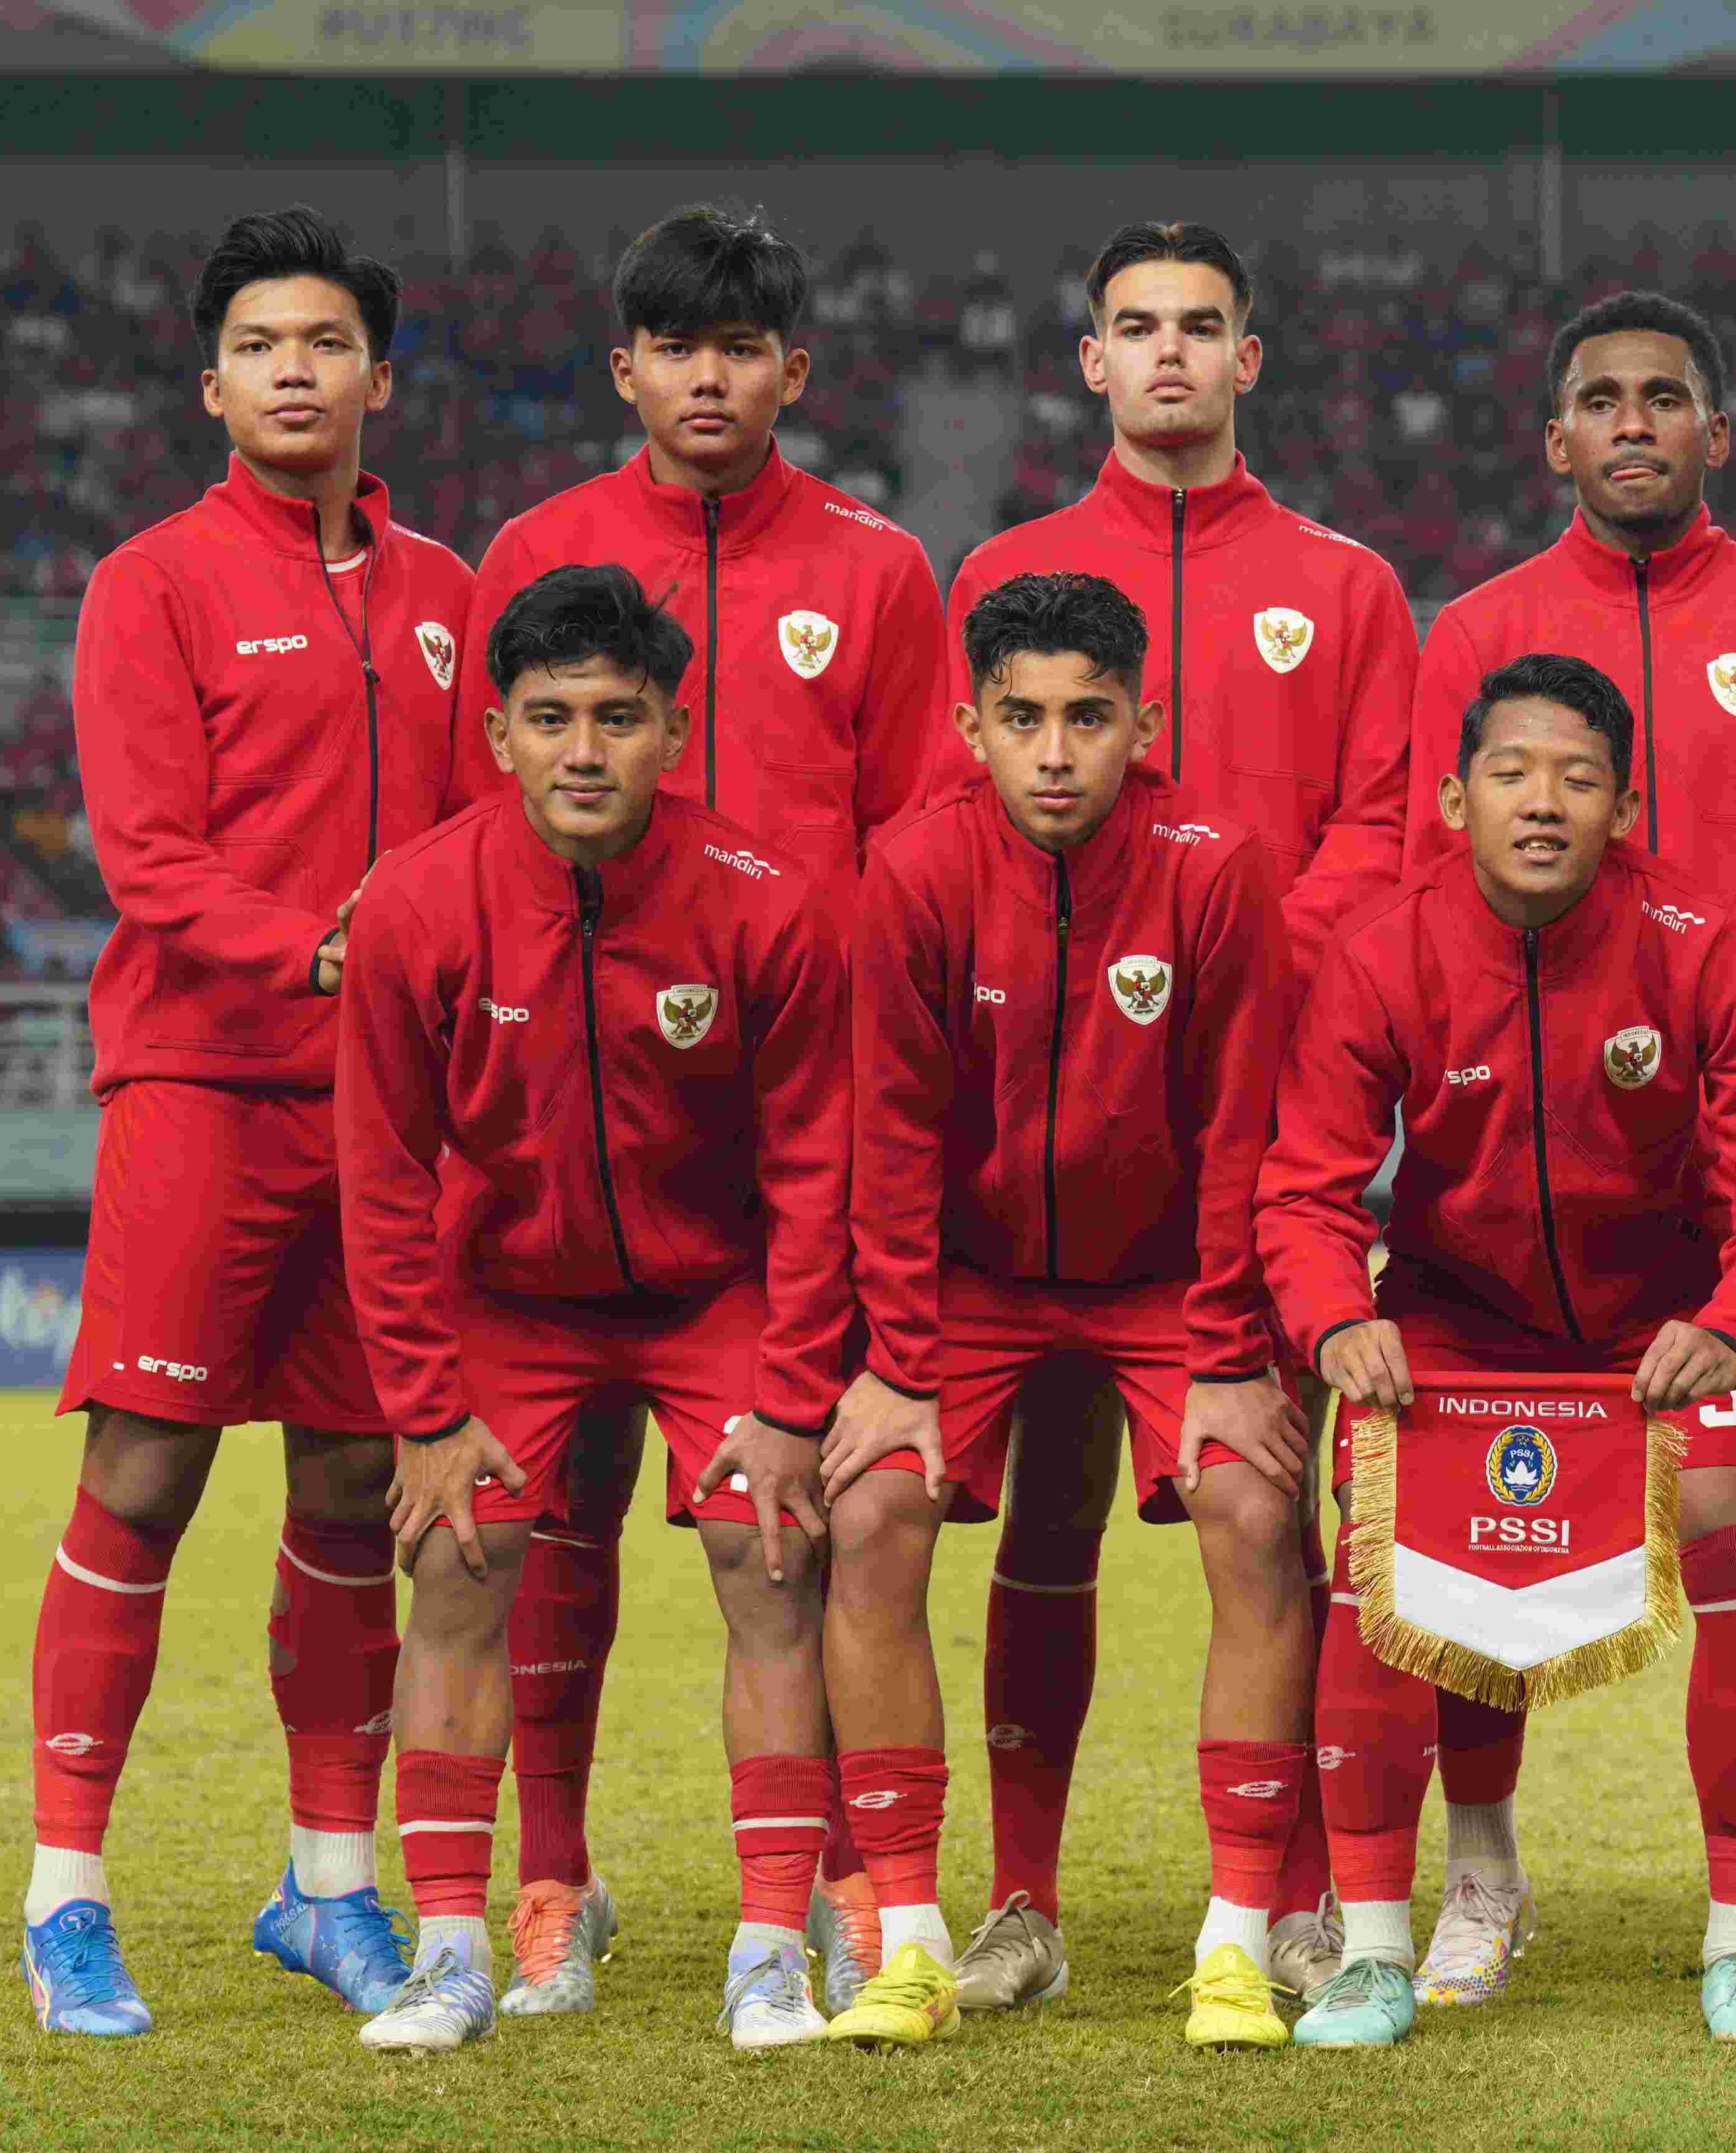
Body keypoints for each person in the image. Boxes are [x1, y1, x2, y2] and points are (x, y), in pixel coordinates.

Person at [1396, 288, 1736, 2001]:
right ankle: (1479, 1870)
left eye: (1664, 398)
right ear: (1554, 440)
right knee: (1464, 1541)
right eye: (1600, 401)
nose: (1632, 423)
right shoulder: (1473, 632)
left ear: (1720, 434)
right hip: (1529, 1179)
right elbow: (1426, 891)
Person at [449, 202, 955, 2019]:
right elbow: (473, 824)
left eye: (742, 351)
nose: (710, 381)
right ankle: (554, 1887)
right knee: (548, 1528)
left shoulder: (885, 572)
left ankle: (820, 1884)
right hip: (576, 1112)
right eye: (676, 350)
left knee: (785, 1523)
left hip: (797, 1112)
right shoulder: (538, 550)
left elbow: (912, 841)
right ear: (626, 372)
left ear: (792, 373)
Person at [938, 220, 1418, 2004]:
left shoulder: (1346, 585)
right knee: (1047, 1517)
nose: (1165, 356)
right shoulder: (1009, 568)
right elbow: (970, 818)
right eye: (1131, 327)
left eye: (1197, 328)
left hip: (1274, 1118)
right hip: (1054, 1123)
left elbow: (1385, 829)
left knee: (1272, 1509)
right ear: (1086, 362)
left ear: (1247, 359)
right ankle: (1020, 1903)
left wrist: (1220, 959)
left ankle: (1288, 1894)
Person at [1261, 653, 1736, 2049]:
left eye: (1579, 778)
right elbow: (1304, 1188)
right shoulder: (1383, 951)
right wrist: (1342, 1318)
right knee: (1392, 1561)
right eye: (1513, 773)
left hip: (1675, 1323)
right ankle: (1403, 1932)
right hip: (1461, 1320)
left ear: (1625, 803)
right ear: (1455, 795)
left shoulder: (1708, 939)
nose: (1543, 801)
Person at [28, 205, 468, 2037]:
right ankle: (67, 1901)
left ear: (382, 376)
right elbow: (147, 860)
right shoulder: (150, 582)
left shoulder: (452, 600)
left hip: (395, 1115)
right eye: (261, 347)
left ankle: (330, 1887)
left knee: (356, 1483)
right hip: (206, 1087)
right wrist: (324, 948)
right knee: (141, 1471)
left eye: (326, 342)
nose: (296, 369)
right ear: (214, 386)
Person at [335, 563, 856, 2055]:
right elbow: (380, 1182)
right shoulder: (419, 905)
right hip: (508, 1293)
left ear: (672, 731)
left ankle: (769, 1950)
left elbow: (822, 1168)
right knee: (456, 1559)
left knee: (770, 1567)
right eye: (550, 717)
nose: (583, 749)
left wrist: (795, 1395)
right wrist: (427, 1415)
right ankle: (450, 1951)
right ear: (498, 734)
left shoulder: (767, 903)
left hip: (719, 1291)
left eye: (617, 718)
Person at [835, 570, 1313, 2052]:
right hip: (974, 1279)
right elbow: (892, 1137)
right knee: (870, 1512)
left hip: (1175, 1277)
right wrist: (901, 1368)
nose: (1056, 753)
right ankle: (919, 1933)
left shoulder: (1216, 864)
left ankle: (1239, 1936)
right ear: (969, 724)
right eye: (1026, 719)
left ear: (1143, 724)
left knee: (1250, 1510)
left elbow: (1246, 1129)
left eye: (1090, 719)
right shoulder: (914, 871)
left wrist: (1234, 1354)